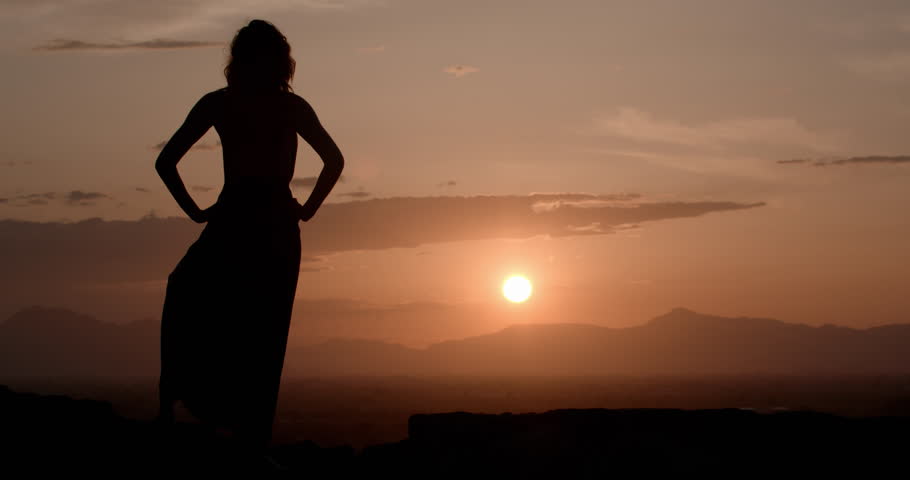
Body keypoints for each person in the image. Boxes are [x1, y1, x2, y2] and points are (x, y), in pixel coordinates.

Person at [154, 19, 344, 454]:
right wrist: (306, 209)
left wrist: (197, 212)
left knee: (223, 312)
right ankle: (229, 431)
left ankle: (202, 421)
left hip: (246, 220)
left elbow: (166, 163)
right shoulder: (276, 106)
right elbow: (333, 160)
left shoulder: (229, 103)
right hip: (264, 223)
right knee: (259, 330)